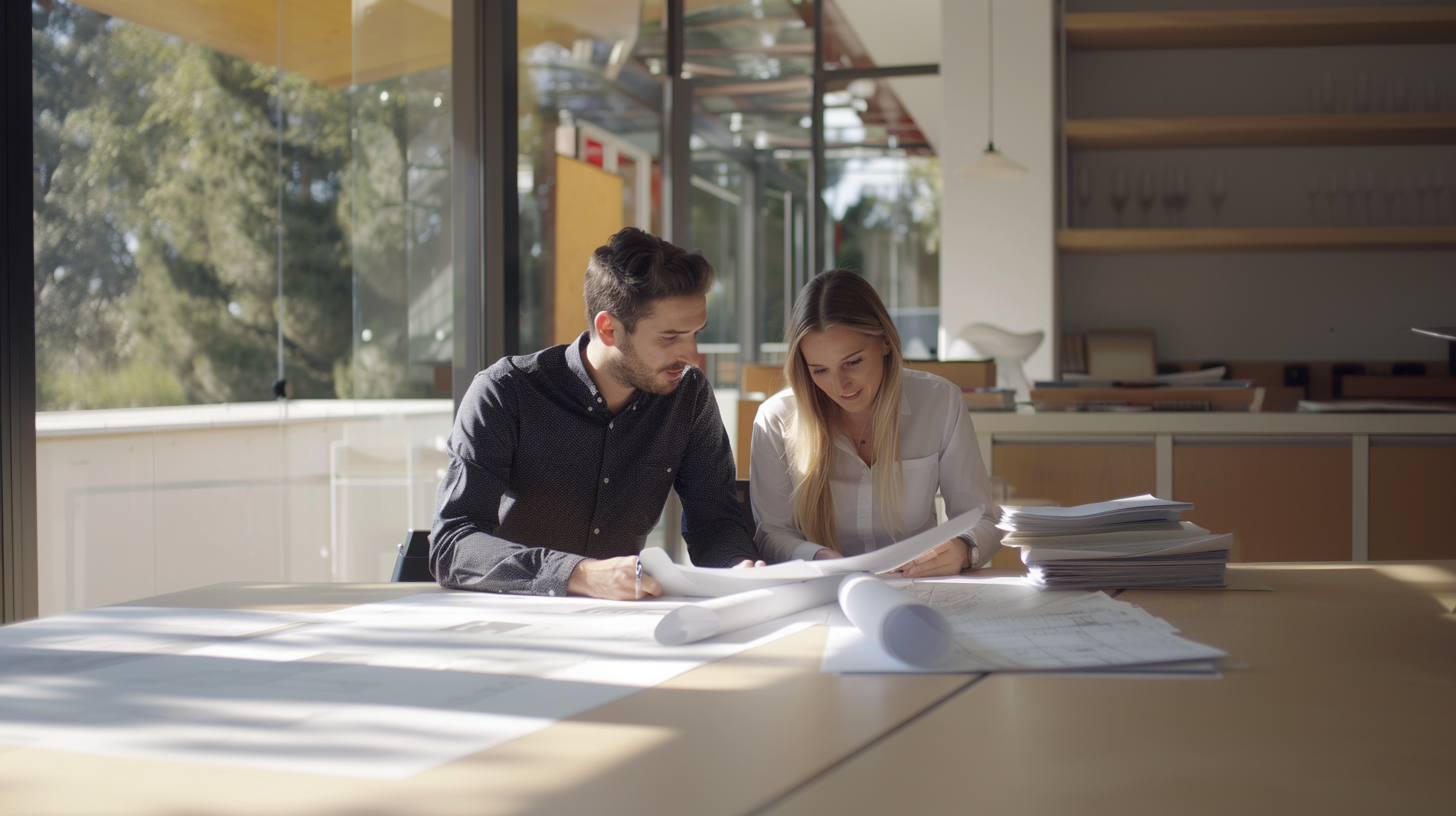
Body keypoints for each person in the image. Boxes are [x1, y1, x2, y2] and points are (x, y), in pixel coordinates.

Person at [430, 227, 762, 600]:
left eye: (695, 333)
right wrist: (578, 574)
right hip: (511, 620)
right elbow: (453, 544)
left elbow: (714, 524)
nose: (691, 355)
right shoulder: (505, 392)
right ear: (608, 329)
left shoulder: (689, 396)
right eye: (670, 337)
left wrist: (738, 567)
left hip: (623, 624)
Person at [749, 270, 1001, 576]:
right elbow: (771, 533)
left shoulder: (939, 402)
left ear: (885, 342)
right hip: (825, 592)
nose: (840, 385)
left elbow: (981, 519)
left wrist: (964, 549)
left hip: (922, 589)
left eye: (852, 362)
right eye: (820, 370)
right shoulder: (775, 420)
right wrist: (816, 557)